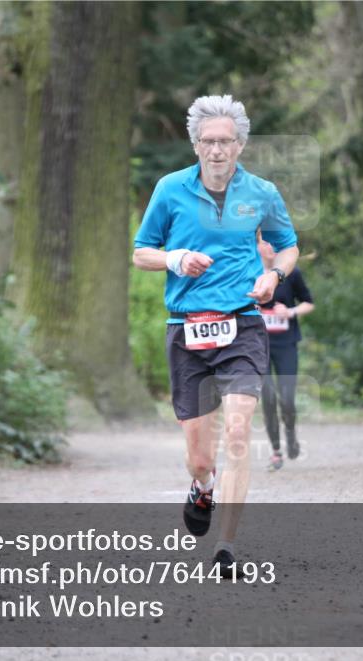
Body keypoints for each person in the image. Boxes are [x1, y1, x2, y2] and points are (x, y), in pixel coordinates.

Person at [132, 95, 299, 570]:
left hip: (243, 324)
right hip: (187, 331)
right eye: (208, 141)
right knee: (201, 457)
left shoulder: (262, 193)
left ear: (241, 144)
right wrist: (175, 259)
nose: (217, 150)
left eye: (226, 141)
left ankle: (225, 545)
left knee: (240, 431)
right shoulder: (170, 190)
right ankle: (202, 487)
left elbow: (288, 247)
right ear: (195, 145)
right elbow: (141, 251)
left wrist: (274, 277)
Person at [256, 237, 314, 471]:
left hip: (286, 344)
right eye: (265, 242)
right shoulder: (248, 272)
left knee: (287, 400)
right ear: (258, 247)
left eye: (273, 242)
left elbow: (309, 303)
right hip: (258, 346)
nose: (270, 246)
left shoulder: (291, 274)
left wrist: (289, 311)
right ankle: (276, 451)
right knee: (268, 398)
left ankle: (291, 435)